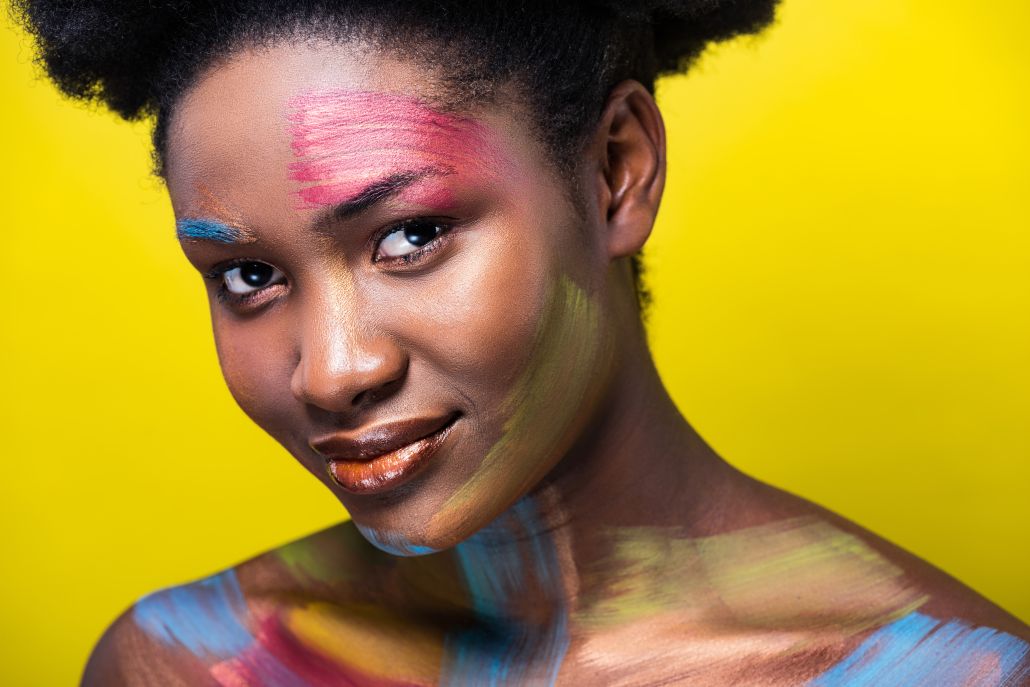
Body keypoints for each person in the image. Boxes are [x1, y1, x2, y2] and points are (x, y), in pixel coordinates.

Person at [15, 1, 1029, 684]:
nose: (332, 371)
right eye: (250, 276)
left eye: (408, 237)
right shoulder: (198, 664)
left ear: (614, 172)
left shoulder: (935, 671)